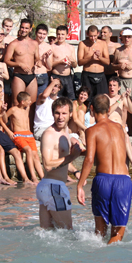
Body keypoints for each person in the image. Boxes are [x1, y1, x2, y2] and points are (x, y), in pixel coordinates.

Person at [77, 94, 132, 245]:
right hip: (123, 180)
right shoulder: (120, 128)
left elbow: (89, 160)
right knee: (117, 234)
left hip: (103, 180)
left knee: (99, 233)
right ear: (109, 109)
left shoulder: (92, 131)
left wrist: (80, 185)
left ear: (92, 108)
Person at [37, 97, 83, 229]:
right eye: (57, 113)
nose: (60, 117)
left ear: (70, 114)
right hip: (54, 187)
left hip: (48, 187)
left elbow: (61, 159)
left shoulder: (65, 132)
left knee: (48, 234)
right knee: (68, 232)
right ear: (53, 114)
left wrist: (75, 171)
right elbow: (48, 164)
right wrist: (72, 156)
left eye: (64, 113)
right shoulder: (49, 134)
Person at [0, 82, 32, 184]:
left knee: (16, 152)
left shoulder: (1, 103)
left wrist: (3, 112)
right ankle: (4, 177)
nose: (2, 93)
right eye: (0, 92)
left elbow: (4, 120)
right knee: (0, 151)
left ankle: (25, 179)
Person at [107, 77, 132, 176]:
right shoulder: (106, 98)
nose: (112, 87)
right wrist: (120, 100)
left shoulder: (122, 98)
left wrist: (127, 98)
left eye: (114, 85)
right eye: (110, 85)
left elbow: (131, 110)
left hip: (119, 128)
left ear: (119, 88)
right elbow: (108, 112)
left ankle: (130, 168)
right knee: (125, 136)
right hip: (109, 127)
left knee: (125, 137)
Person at [6, 92, 44, 183]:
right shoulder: (13, 110)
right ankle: (33, 177)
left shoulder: (27, 108)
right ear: (22, 102)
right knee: (28, 150)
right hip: (19, 135)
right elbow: (2, 119)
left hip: (29, 135)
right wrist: (8, 131)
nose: (30, 102)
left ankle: (42, 177)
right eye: (28, 100)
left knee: (36, 156)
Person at [4, 19, 40, 107]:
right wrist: (19, 64)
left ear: (30, 29)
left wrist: (38, 62)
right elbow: (6, 61)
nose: (24, 30)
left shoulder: (35, 43)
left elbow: (37, 57)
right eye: (22, 27)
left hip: (31, 76)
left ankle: (29, 121)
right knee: (17, 103)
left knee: (31, 104)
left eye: (26, 28)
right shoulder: (13, 44)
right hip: (19, 75)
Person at [78, 25, 110, 103]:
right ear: (87, 34)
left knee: (102, 100)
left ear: (98, 34)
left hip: (100, 75)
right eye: (91, 36)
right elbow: (80, 62)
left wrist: (99, 57)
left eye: (95, 36)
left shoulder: (103, 43)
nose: (93, 38)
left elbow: (107, 62)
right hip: (87, 75)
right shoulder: (83, 44)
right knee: (87, 100)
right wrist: (90, 58)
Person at [47, 25, 77, 100]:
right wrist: (60, 62)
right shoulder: (52, 47)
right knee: (54, 99)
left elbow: (75, 65)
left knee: (70, 100)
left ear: (67, 35)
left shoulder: (71, 47)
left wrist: (73, 61)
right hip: (56, 76)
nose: (60, 36)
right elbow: (50, 65)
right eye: (59, 34)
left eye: (62, 34)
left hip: (68, 77)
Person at [34, 24, 52, 95]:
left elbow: (50, 67)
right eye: (40, 33)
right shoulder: (31, 44)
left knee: (40, 99)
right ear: (36, 33)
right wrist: (40, 59)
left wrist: (46, 58)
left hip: (43, 75)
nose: (42, 36)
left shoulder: (48, 47)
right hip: (32, 74)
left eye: (44, 34)